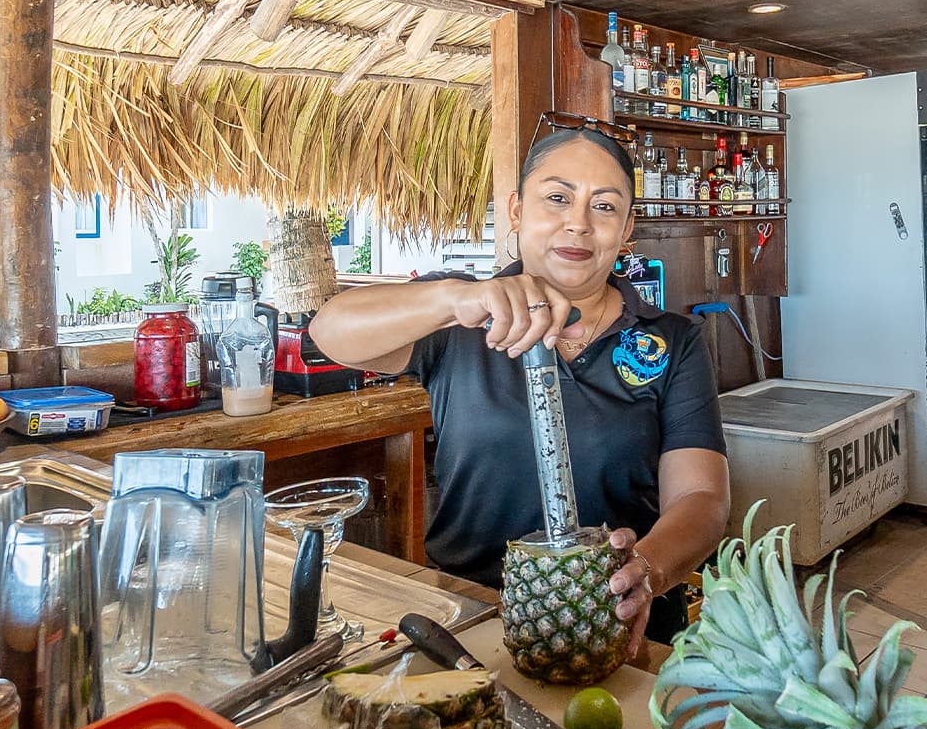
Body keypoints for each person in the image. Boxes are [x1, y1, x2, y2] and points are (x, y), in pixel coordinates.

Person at [312, 119, 730, 651]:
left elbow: (701, 497)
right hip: (469, 616)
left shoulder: (671, 340)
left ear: (626, 229)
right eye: (556, 198)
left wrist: (647, 571)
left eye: (603, 206)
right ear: (516, 211)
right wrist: (451, 301)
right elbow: (330, 332)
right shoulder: (461, 317)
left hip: (618, 620)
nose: (577, 225)